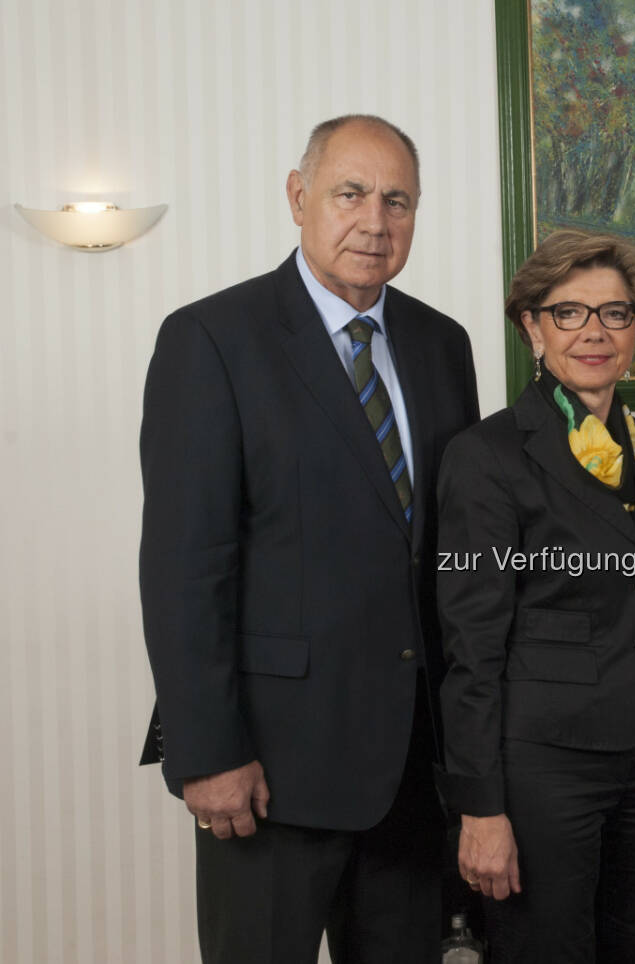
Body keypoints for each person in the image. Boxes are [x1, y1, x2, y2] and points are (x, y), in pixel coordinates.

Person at [137, 114, 480, 962]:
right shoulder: (212, 339)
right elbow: (185, 568)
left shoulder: (445, 345)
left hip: (410, 771)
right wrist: (208, 753)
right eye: (351, 193)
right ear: (299, 198)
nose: (376, 221)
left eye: (398, 200)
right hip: (268, 775)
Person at [436, 230, 635, 963]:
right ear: (532, 326)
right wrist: (480, 805)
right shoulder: (485, 456)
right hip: (546, 762)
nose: (594, 332)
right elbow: (472, 644)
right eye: (569, 312)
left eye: (616, 314)